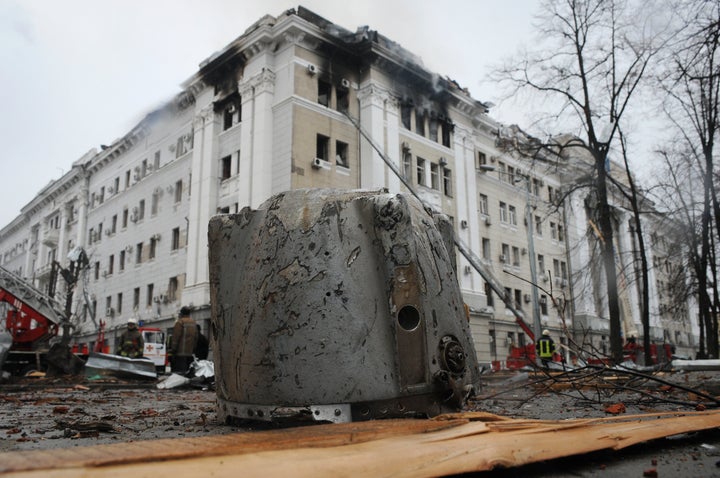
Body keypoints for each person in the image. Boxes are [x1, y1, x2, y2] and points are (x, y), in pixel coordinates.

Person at [170, 306, 198, 374]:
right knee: (187, 374)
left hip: (180, 354)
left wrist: (173, 349)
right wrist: (193, 349)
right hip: (190, 354)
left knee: (178, 374)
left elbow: (176, 338)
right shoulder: (194, 323)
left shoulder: (180, 322)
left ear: (181, 313)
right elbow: (196, 338)